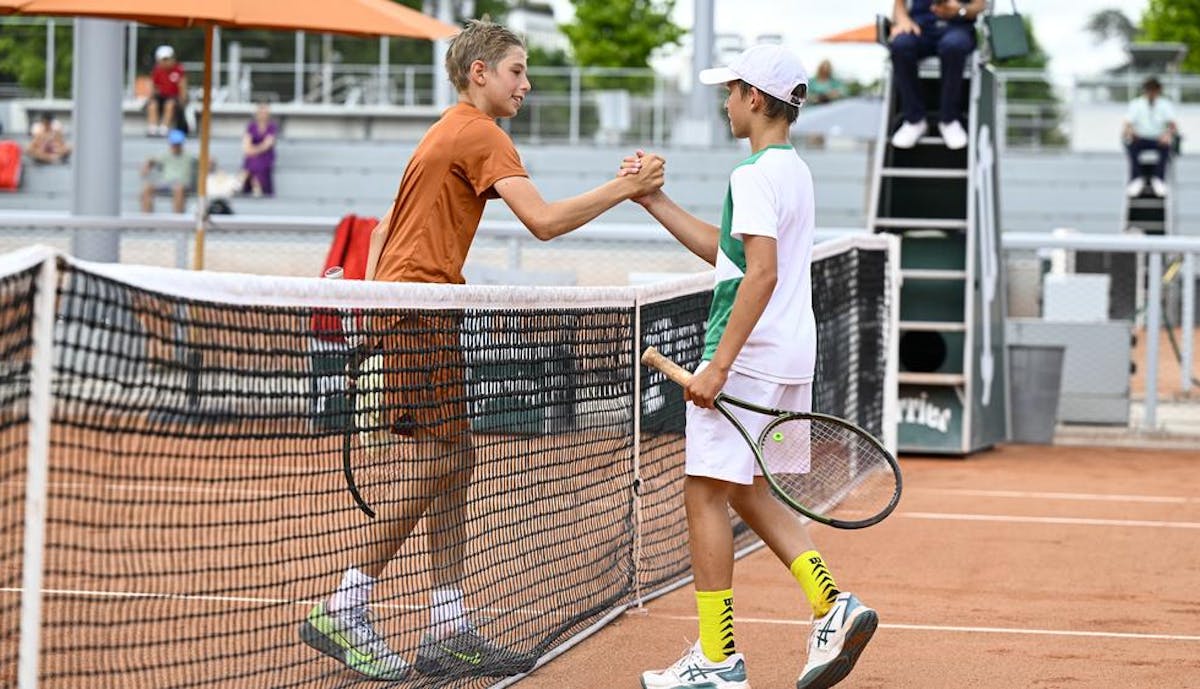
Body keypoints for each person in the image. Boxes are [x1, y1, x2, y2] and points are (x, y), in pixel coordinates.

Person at [297, 19, 664, 682]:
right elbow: (545, 223)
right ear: (480, 74)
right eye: (517, 71)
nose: (525, 84)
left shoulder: (446, 130)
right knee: (443, 457)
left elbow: (383, 228)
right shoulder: (479, 131)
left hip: (416, 307)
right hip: (418, 308)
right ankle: (345, 606)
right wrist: (628, 189)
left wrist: (376, 306)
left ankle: (447, 625)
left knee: (457, 459)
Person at [619, 44, 877, 689]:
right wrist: (655, 201)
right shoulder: (791, 172)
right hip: (790, 358)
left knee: (705, 491)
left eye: (731, 91)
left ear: (754, 99)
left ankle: (716, 658)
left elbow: (758, 274)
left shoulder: (752, 176)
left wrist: (718, 365)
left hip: (750, 358)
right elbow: (731, 254)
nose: (726, 101)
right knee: (749, 489)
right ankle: (832, 605)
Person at [888, 0, 987, 150]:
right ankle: (914, 120)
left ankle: (949, 120)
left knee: (953, 46)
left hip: (958, 28)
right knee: (901, 45)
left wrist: (960, 10)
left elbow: (980, 6)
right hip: (921, 28)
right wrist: (903, 20)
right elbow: (900, 4)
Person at [1122, 76, 1179, 198]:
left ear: (1158, 90)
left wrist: (1167, 135)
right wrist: (1131, 131)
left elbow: (1173, 125)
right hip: (1140, 138)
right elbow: (1127, 124)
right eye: (1148, 89)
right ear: (1144, 90)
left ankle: (1158, 179)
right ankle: (1136, 179)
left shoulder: (1165, 104)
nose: (1151, 92)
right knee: (1131, 146)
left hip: (1158, 139)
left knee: (1166, 147)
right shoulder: (1136, 104)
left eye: (1153, 89)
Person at [140, 129, 196, 213]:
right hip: (166, 184)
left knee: (178, 188)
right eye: (174, 144)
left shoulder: (189, 156)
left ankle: (177, 219)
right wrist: (146, 167)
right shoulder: (165, 155)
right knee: (147, 188)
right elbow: (151, 160)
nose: (176, 146)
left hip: (183, 184)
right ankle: (146, 218)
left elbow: (206, 160)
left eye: (178, 144)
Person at [147, 45, 188, 137]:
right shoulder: (157, 71)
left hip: (174, 98)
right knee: (152, 105)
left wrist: (183, 100)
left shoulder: (178, 69)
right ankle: (152, 128)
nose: (165, 62)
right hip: (161, 96)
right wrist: (150, 98)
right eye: (163, 60)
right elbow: (153, 86)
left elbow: (182, 86)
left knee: (169, 104)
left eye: (167, 59)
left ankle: (164, 128)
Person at [239, 102, 278, 197]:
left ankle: (241, 182)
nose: (263, 115)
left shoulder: (272, 126)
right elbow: (245, 145)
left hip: (266, 156)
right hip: (252, 156)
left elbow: (268, 144)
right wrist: (252, 151)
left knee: (254, 163)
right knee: (254, 162)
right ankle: (257, 187)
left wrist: (253, 151)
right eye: (261, 112)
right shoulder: (251, 126)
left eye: (265, 112)